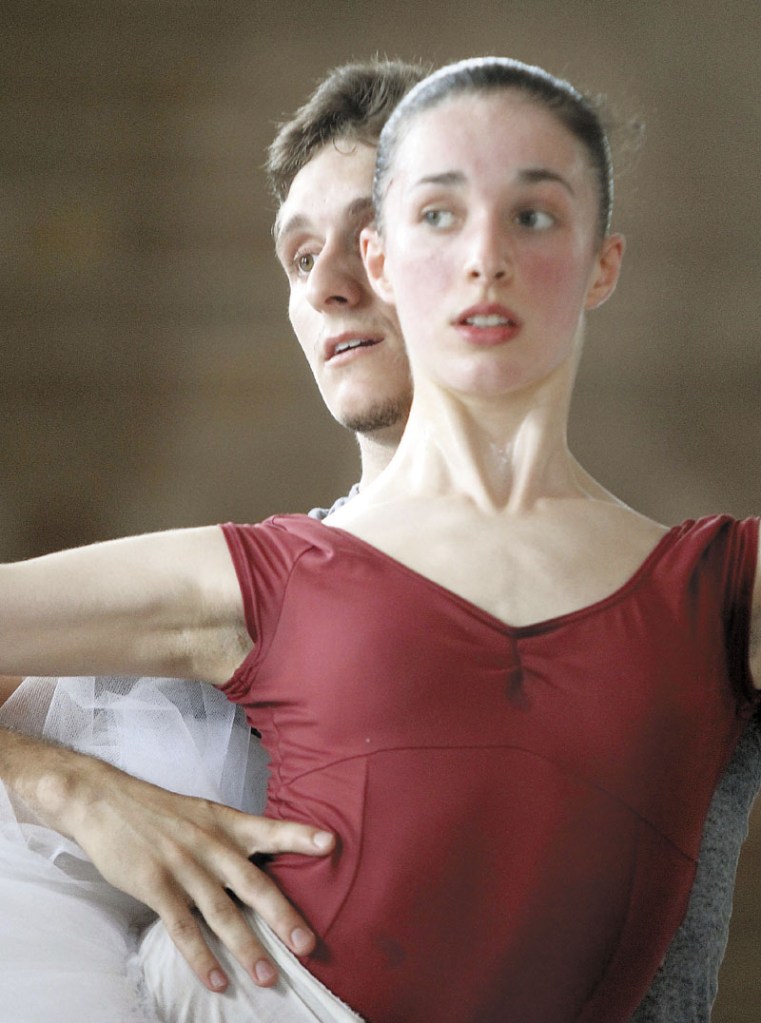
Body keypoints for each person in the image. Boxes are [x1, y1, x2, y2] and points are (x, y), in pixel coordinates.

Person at [1, 55, 759, 1023]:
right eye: (297, 257)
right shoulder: (258, 579)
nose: (326, 285)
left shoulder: (705, 585)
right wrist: (71, 789)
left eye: (383, 229)